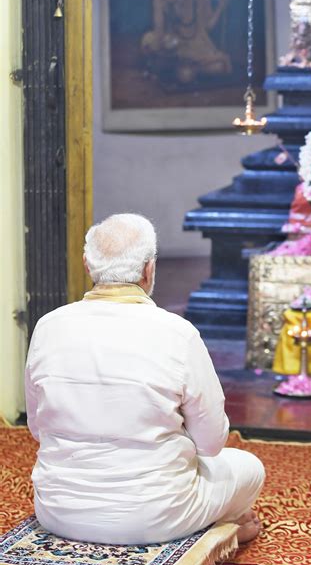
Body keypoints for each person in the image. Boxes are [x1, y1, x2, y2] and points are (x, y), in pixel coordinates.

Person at [25, 213, 264, 545]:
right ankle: (215, 534)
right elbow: (211, 444)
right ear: (149, 269)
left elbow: (38, 428)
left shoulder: (48, 326)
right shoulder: (177, 333)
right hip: (153, 518)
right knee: (249, 467)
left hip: (56, 512)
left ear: (86, 265)